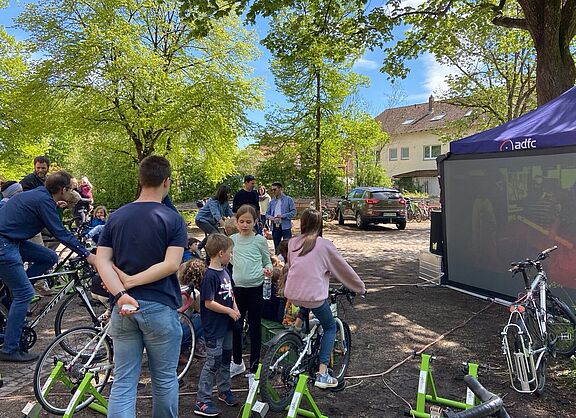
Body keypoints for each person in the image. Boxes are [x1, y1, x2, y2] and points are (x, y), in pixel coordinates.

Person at [96, 156, 187, 418]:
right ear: (167, 182)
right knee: (164, 379)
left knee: (123, 382)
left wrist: (122, 293)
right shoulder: (172, 218)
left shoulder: (117, 216)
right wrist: (132, 281)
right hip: (160, 307)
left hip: (123, 308)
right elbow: (171, 265)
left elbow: (102, 261)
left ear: (140, 180)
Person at [0, 171, 96, 362]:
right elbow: (60, 232)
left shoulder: (40, 195)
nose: (74, 192)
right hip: (4, 244)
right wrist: (87, 254)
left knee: (49, 256)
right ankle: (10, 349)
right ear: (63, 190)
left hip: (12, 241)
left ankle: (15, 288)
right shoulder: (43, 201)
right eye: (72, 189)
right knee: (25, 294)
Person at [283, 209, 366, 388]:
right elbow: (343, 269)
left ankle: (297, 328)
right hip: (312, 296)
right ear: (319, 225)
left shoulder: (293, 242)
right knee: (329, 327)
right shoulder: (324, 244)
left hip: (293, 294)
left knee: (306, 299)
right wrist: (359, 287)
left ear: (302, 223)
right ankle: (322, 373)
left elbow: (295, 267)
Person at [194, 233, 241, 417]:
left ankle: (224, 390)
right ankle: (202, 400)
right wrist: (229, 311)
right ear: (221, 253)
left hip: (227, 325)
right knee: (213, 361)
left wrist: (234, 308)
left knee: (225, 358)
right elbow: (208, 302)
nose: (231, 255)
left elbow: (231, 294)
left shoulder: (225, 271)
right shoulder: (210, 276)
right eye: (230, 252)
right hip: (214, 327)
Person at [229, 205, 273, 381]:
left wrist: (268, 269)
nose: (245, 225)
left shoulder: (259, 240)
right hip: (237, 288)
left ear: (255, 222)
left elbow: (267, 261)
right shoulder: (232, 239)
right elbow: (227, 259)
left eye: (248, 221)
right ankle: (238, 362)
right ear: (236, 222)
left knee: (255, 326)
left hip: (256, 287)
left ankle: (254, 367)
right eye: (241, 221)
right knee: (236, 325)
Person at [195, 185, 233, 251]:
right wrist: (225, 226)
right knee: (215, 234)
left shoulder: (225, 203)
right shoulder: (213, 201)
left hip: (211, 222)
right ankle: (198, 248)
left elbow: (230, 213)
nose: (229, 195)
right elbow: (216, 215)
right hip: (201, 220)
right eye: (228, 193)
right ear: (223, 193)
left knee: (217, 236)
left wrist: (236, 222)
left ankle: (208, 256)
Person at [266, 182, 296, 253]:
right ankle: (278, 261)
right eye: (272, 190)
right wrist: (272, 218)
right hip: (275, 226)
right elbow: (267, 214)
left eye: (274, 189)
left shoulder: (289, 200)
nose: (273, 191)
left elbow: (293, 212)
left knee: (288, 245)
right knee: (277, 246)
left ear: (280, 189)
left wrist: (283, 216)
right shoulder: (272, 201)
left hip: (285, 226)